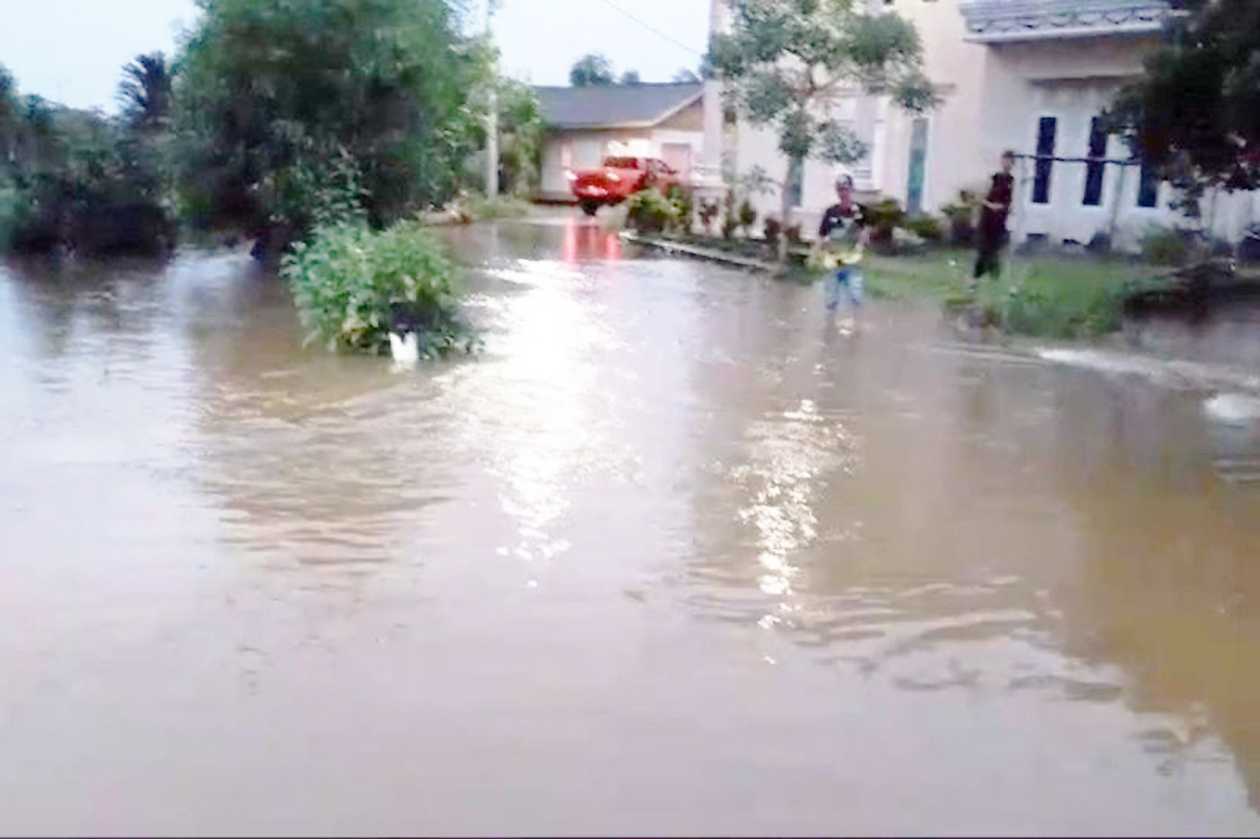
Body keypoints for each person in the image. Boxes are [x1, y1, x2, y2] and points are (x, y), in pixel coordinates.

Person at [814, 174, 869, 311]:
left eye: (845, 189)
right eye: (839, 189)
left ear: (851, 189)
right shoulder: (830, 212)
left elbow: (865, 232)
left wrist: (860, 246)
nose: (842, 193)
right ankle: (829, 328)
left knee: (856, 298)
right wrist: (817, 254)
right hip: (833, 261)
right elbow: (821, 236)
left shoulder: (859, 211)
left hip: (853, 262)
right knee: (830, 301)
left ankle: (857, 327)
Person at [973, 150, 1016, 286]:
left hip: (1000, 220)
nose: (1007, 163)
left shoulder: (1011, 181)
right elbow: (982, 197)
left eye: (1010, 161)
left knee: (994, 249)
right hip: (987, 218)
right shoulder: (994, 178)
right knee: (984, 248)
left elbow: (1009, 202)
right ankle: (976, 277)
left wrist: (1005, 208)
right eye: (1005, 160)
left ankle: (993, 276)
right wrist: (991, 206)